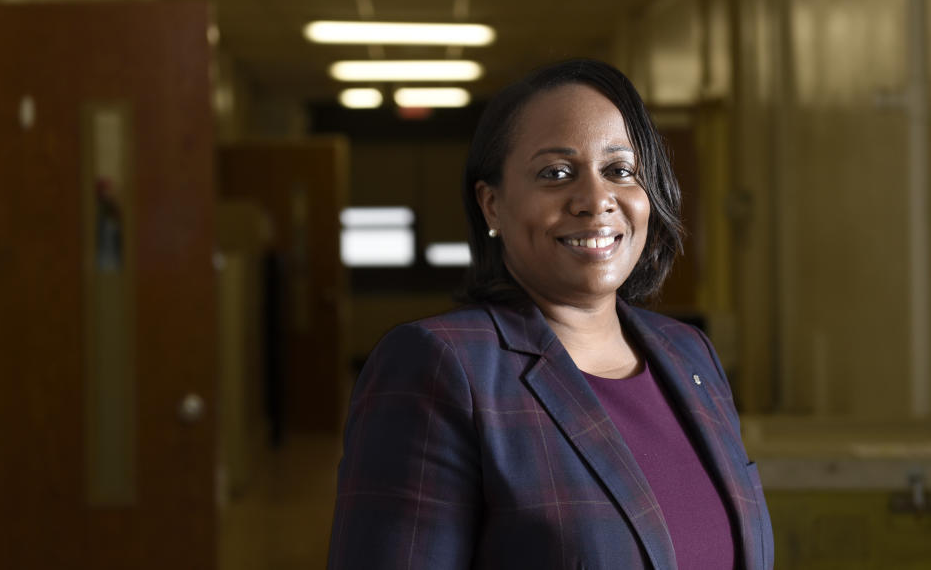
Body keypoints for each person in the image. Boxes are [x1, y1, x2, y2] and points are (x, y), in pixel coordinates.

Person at [328, 59, 773, 569]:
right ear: (492, 204)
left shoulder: (690, 354)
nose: (595, 199)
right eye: (556, 173)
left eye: (620, 170)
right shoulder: (440, 366)